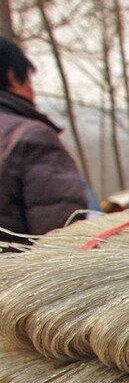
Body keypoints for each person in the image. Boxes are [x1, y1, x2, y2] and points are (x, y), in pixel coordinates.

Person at [0, 36, 88, 238]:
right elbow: (62, 236)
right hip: (17, 269)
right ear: (12, 76)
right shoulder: (30, 137)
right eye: (29, 78)